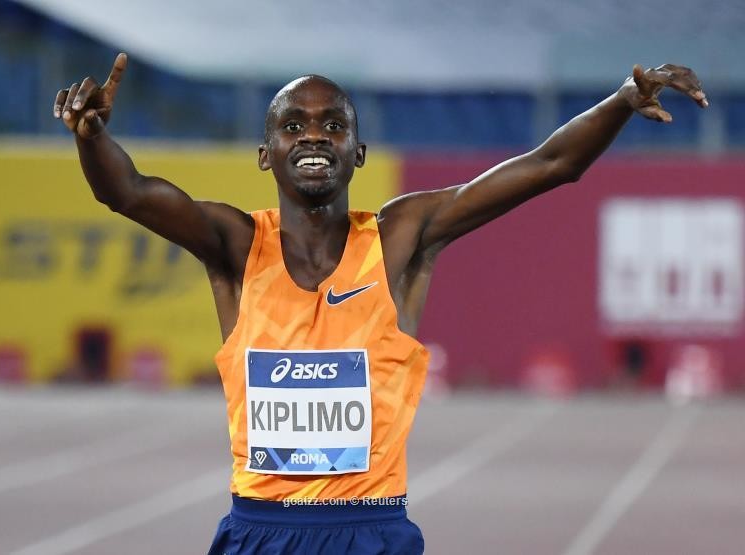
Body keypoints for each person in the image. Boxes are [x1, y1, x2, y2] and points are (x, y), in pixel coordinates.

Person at [54, 54, 707, 554]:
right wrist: (91, 138)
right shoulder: (235, 243)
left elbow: (550, 164)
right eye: (293, 125)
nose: (314, 136)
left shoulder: (399, 238)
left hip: (369, 529)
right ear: (265, 154)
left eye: (333, 125)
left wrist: (623, 100)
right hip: (259, 529)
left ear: (357, 153)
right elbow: (128, 192)